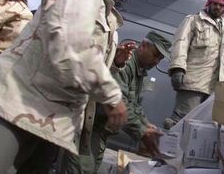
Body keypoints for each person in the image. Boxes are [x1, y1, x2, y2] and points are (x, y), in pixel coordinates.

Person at [0, 0, 138, 173]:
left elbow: (89, 70)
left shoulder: (109, 20)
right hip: (16, 106)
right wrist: (113, 97)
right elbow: (70, 45)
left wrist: (115, 63)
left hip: (55, 125)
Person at [62, 30, 172, 173]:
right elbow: (120, 101)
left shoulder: (138, 71)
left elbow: (133, 104)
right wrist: (142, 131)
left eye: (160, 58)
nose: (157, 61)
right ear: (144, 46)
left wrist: (146, 124)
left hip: (99, 133)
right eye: (156, 55)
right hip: (89, 130)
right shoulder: (125, 65)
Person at [164, 0, 224, 129]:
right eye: (215, 4)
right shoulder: (193, 20)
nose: (217, 7)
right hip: (194, 83)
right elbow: (180, 43)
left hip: (217, 90)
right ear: (209, 3)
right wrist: (178, 69)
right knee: (179, 124)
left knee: (201, 130)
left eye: (221, 5)